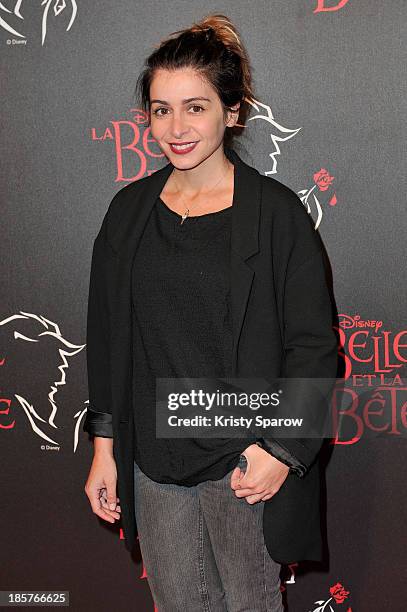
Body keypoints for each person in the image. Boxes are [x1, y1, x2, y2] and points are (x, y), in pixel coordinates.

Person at [83, 13, 338, 612]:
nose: (175, 126)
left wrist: (281, 451)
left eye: (195, 107)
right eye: (160, 109)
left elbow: (313, 346)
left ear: (232, 110)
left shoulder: (277, 216)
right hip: (155, 464)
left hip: (243, 464)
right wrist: (104, 449)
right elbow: (109, 336)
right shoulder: (128, 213)